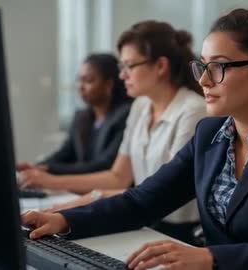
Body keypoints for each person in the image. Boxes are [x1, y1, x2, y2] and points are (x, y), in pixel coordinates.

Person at [22, 0, 248, 269]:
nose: (204, 80)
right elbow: (143, 201)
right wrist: (66, 221)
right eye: (202, 66)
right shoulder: (211, 133)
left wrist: (209, 258)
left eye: (218, 66)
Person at [19, 21, 206, 244]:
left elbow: (157, 194)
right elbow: (118, 177)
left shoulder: (194, 112)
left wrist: (82, 202)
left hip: (177, 233)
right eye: (121, 67)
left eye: (129, 66)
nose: (122, 76)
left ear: (160, 66)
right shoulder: (140, 106)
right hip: (143, 220)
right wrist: (58, 194)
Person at [17, 54, 132, 175]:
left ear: (109, 85)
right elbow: (65, 153)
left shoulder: (125, 115)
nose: (80, 87)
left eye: (88, 81)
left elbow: (104, 164)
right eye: (79, 80)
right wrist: (35, 167)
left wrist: (48, 170)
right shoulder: (81, 117)